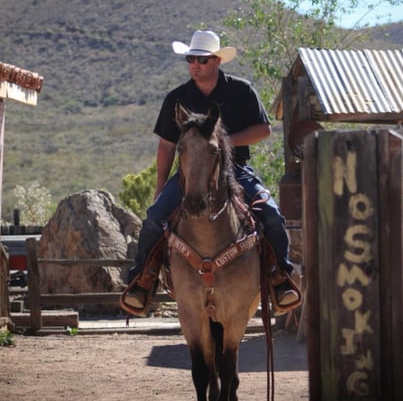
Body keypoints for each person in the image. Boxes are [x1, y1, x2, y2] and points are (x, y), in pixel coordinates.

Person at [121, 29, 300, 315]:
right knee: (155, 217)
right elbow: (167, 146)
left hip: (236, 169)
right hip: (187, 175)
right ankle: (143, 280)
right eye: (191, 59)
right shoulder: (176, 98)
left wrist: (225, 142)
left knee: (272, 216)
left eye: (202, 60)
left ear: (217, 60)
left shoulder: (241, 90)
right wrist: (159, 187)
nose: (195, 64)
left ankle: (280, 278)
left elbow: (263, 130)